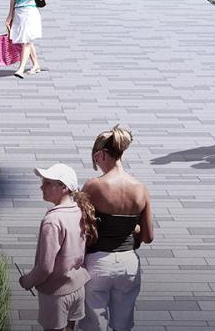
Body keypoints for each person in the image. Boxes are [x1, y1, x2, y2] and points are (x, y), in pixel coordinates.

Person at [81, 125, 154, 331]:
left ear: (102, 154)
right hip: (129, 264)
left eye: (96, 158)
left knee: (94, 325)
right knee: (123, 326)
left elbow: (81, 228)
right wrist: (132, 230)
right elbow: (148, 236)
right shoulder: (140, 188)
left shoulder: (93, 186)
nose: (97, 164)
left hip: (98, 262)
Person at [19, 163, 94, 331]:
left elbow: (45, 268)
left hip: (56, 293)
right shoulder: (78, 211)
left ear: (64, 188)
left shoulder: (52, 221)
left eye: (47, 183)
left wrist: (27, 281)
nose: (41, 186)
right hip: (77, 287)